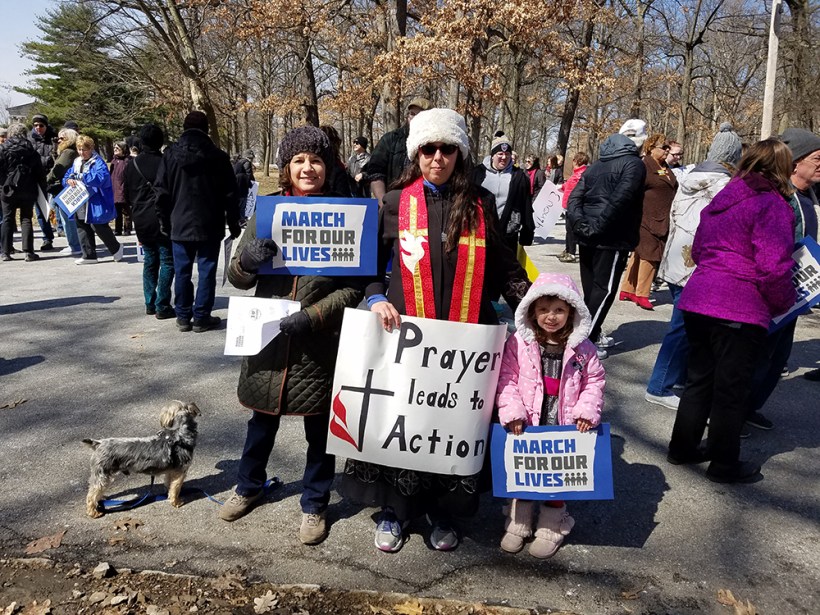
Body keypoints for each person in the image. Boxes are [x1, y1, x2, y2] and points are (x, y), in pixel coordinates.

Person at [340, 108, 531, 553]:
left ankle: (442, 513)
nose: (438, 157)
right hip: (405, 336)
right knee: (404, 424)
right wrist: (375, 297)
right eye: (429, 149)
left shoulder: (481, 204)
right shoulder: (393, 203)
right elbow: (368, 269)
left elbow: (504, 265)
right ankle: (396, 513)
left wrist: (537, 307)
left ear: (460, 154)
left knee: (450, 428)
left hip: (463, 341)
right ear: (416, 153)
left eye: (447, 149)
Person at [219, 125, 365, 546]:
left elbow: (355, 286)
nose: (308, 168)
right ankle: (248, 485)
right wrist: (246, 259)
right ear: (286, 168)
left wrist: (317, 314)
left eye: (315, 160)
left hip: (318, 341)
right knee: (260, 422)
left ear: (327, 166)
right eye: (299, 160)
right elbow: (235, 277)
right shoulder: (265, 213)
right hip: (267, 338)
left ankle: (316, 502)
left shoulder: (346, 215)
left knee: (320, 430)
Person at [667, 139, 796, 484]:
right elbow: (773, 265)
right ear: (781, 168)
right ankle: (724, 464)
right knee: (731, 389)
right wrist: (785, 302)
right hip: (738, 305)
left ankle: (682, 447)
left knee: (699, 379)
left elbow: (697, 247)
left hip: (698, 298)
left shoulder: (722, 199)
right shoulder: (771, 204)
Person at [496, 273, 605, 558]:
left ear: (572, 311)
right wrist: (513, 412)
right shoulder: (519, 343)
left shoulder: (584, 349)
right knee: (524, 475)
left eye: (559, 309)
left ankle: (551, 527)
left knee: (556, 478)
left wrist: (586, 411)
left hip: (563, 423)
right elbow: (506, 378)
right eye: (543, 309)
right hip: (528, 422)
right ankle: (518, 523)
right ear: (532, 310)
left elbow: (594, 381)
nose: (551, 316)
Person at [645, 123, 742, 410]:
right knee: (683, 327)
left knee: (688, 327)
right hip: (699, 262)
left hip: (678, 258)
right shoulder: (726, 186)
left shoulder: (689, 176)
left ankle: (678, 379)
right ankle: (659, 386)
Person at [744, 127, 820, 429]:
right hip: (771, 291)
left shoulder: (809, 196)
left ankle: (750, 407)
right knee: (758, 357)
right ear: (795, 162)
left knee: (777, 358)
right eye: (817, 158)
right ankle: (731, 417)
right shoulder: (779, 196)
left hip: (796, 292)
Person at [154, 110, 242, 333]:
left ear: (184, 128)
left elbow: (161, 192)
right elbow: (231, 194)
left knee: (182, 270)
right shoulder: (218, 157)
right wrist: (233, 223)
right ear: (206, 129)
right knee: (207, 271)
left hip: (179, 222)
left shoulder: (170, 155)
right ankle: (201, 316)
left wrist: (164, 221)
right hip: (210, 222)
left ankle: (183, 315)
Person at [567, 128, 647, 358]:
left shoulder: (595, 166)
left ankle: (588, 331)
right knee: (603, 290)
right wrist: (594, 226)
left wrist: (582, 224)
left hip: (591, 233)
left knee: (592, 289)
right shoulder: (633, 164)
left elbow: (575, 199)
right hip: (611, 237)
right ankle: (584, 341)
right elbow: (621, 199)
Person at [618, 134, 678, 311]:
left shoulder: (665, 166)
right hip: (646, 217)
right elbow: (634, 191)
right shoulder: (644, 166)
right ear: (651, 148)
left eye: (668, 147)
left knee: (639, 254)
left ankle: (627, 289)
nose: (667, 150)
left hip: (662, 218)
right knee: (650, 255)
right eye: (663, 147)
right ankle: (642, 294)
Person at [124, 123, 175, 320]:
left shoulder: (131, 165)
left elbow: (127, 195)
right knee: (167, 260)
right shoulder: (165, 163)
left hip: (141, 218)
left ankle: (149, 301)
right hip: (162, 218)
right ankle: (162, 303)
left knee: (149, 259)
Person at [63, 135, 123, 265]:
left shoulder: (98, 161)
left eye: (84, 149)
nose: (81, 152)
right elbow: (68, 175)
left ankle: (116, 248)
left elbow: (100, 178)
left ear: (91, 148)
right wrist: (68, 180)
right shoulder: (77, 161)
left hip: (95, 199)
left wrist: (82, 177)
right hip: (80, 198)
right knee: (81, 225)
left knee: (98, 225)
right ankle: (88, 255)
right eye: (79, 149)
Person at [471, 133, 534, 253]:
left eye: (507, 154)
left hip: (508, 233)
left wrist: (528, 230)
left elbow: (526, 204)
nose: (504, 157)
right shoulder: (477, 173)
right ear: (492, 155)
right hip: (481, 233)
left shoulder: (519, 176)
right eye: (500, 154)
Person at [362, 97, 430, 202]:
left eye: (420, 115)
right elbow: (375, 173)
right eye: (412, 114)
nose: (414, 118)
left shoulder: (436, 144)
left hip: (427, 203)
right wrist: (384, 203)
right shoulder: (390, 139)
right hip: (394, 203)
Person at [0, 123, 47, 262]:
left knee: (7, 219)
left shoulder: (3, 149)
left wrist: (3, 184)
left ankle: (5, 252)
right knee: (26, 218)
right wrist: (41, 187)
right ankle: (29, 252)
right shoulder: (31, 149)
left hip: (7, 189)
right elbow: (39, 171)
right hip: (28, 188)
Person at [46, 128, 82, 257]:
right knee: (67, 218)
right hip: (66, 188)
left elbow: (57, 170)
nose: (58, 140)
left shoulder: (68, 152)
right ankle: (73, 244)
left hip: (63, 189)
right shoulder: (69, 152)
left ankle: (74, 245)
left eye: (62, 138)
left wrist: (46, 180)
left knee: (67, 218)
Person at [28, 113, 56, 251]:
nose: (38, 128)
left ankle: (67, 233)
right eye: (35, 125)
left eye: (41, 125)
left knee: (58, 208)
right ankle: (47, 238)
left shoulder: (54, 138)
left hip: (52, 177)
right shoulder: (29, 139)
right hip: (36, 179)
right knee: (40, 210)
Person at [557, 152, 589, 263]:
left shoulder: (582, 174)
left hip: (574, 207)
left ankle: (571, 253)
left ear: (576, 161)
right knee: (568, 230)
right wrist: (561, 187)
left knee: (571, 230)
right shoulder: (576, 174)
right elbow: (569, 185)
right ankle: (567, 249)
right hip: (568, 206)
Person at [110, 142, 132, 236]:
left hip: (124, 189)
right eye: (114, 148)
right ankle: (118, 229)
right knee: (117, 211)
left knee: (126, 211)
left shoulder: (127, 161)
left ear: (123, 149)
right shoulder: (113, 162)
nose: (115, 149)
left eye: (117, 148)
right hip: (115, 189)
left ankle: (127, 229)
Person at [233, 149, 256, 224]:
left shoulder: (239, 162)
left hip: (237, 185)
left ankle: (239, 218)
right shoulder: (247, 162)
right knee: (243, 203)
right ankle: (242, 219)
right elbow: (248, 173)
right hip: (243, 186)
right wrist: (251, 183)